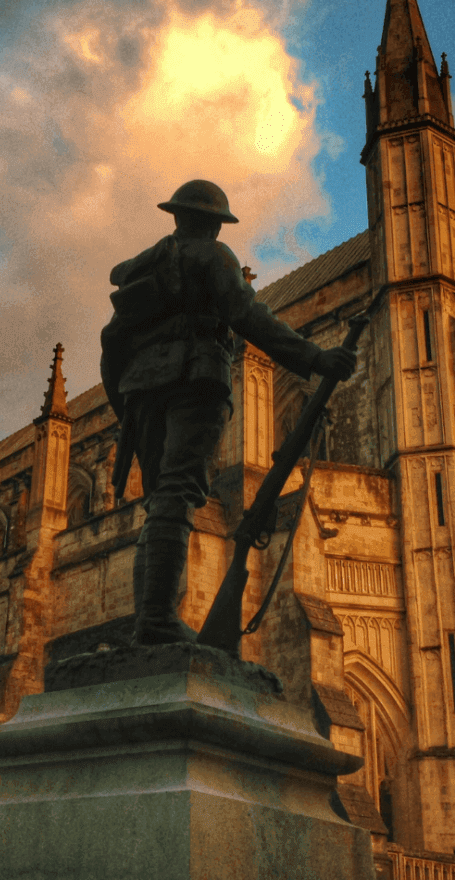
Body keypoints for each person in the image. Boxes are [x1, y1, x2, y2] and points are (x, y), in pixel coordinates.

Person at [100, 180, 356, 646]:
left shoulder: (145, 268)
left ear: (176, 216)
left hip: (143, 392)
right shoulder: (212, 258)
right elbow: (247, 315)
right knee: (177, 497)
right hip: (195, 380)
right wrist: (315, 359)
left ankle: (150, 619)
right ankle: (156, 622)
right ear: (216, 224)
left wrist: (127, 410)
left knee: (162, 501)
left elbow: (111, 344)